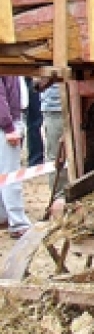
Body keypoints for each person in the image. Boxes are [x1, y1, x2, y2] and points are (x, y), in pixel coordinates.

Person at [0, 75, 30, 238]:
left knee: (3, 174)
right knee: (11, 175)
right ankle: (19, 224)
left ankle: (3, 217)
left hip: (9, 120)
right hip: (6, 123)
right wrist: (9, 127)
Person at [36, 77, 66, 211]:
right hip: (56, 109)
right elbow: (37, 83)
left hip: (63, 105)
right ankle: (59, 201)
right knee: (57, 157)